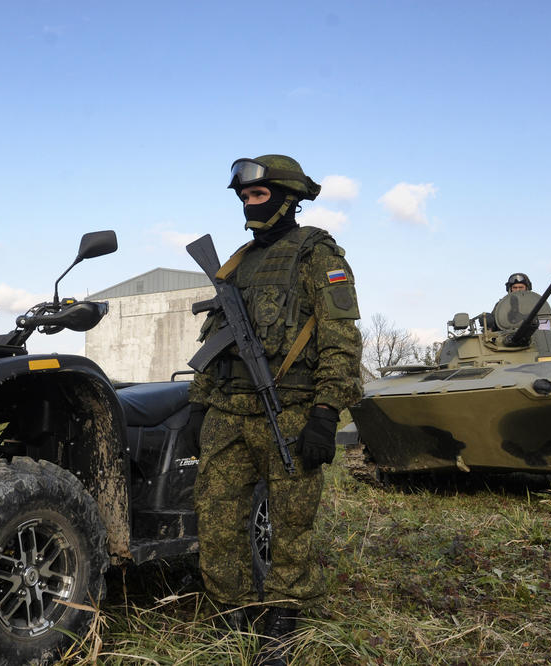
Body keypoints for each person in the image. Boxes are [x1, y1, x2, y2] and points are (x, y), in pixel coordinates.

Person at [189, 155, 363, 663]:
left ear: (288, 198)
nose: (249, 203)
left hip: (288, 411)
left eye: (259, 194)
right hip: (227, 412)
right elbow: (215, 337)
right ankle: (232, 611)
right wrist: (200, 401)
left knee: (290, 521)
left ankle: (283, 618)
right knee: (216, 516)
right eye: (244, 196)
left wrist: (326, 412)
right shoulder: (237, 262)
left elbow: (340, 338)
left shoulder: (317, 254)